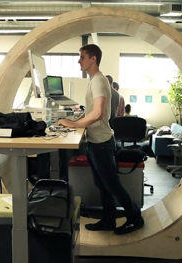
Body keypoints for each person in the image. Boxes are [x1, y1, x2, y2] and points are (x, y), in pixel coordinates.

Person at [58, 44, 144, 235]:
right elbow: (91, 112)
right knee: (102, 185)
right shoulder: (94, 80)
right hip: (95, 142)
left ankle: (135, 217)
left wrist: (73, 125)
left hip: (102, 143)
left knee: (112, 184)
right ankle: (108, 220)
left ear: (93, 59)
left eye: (82, 57)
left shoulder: (98, 80)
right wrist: (75, 120)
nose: (79, 61)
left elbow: (97, 114)